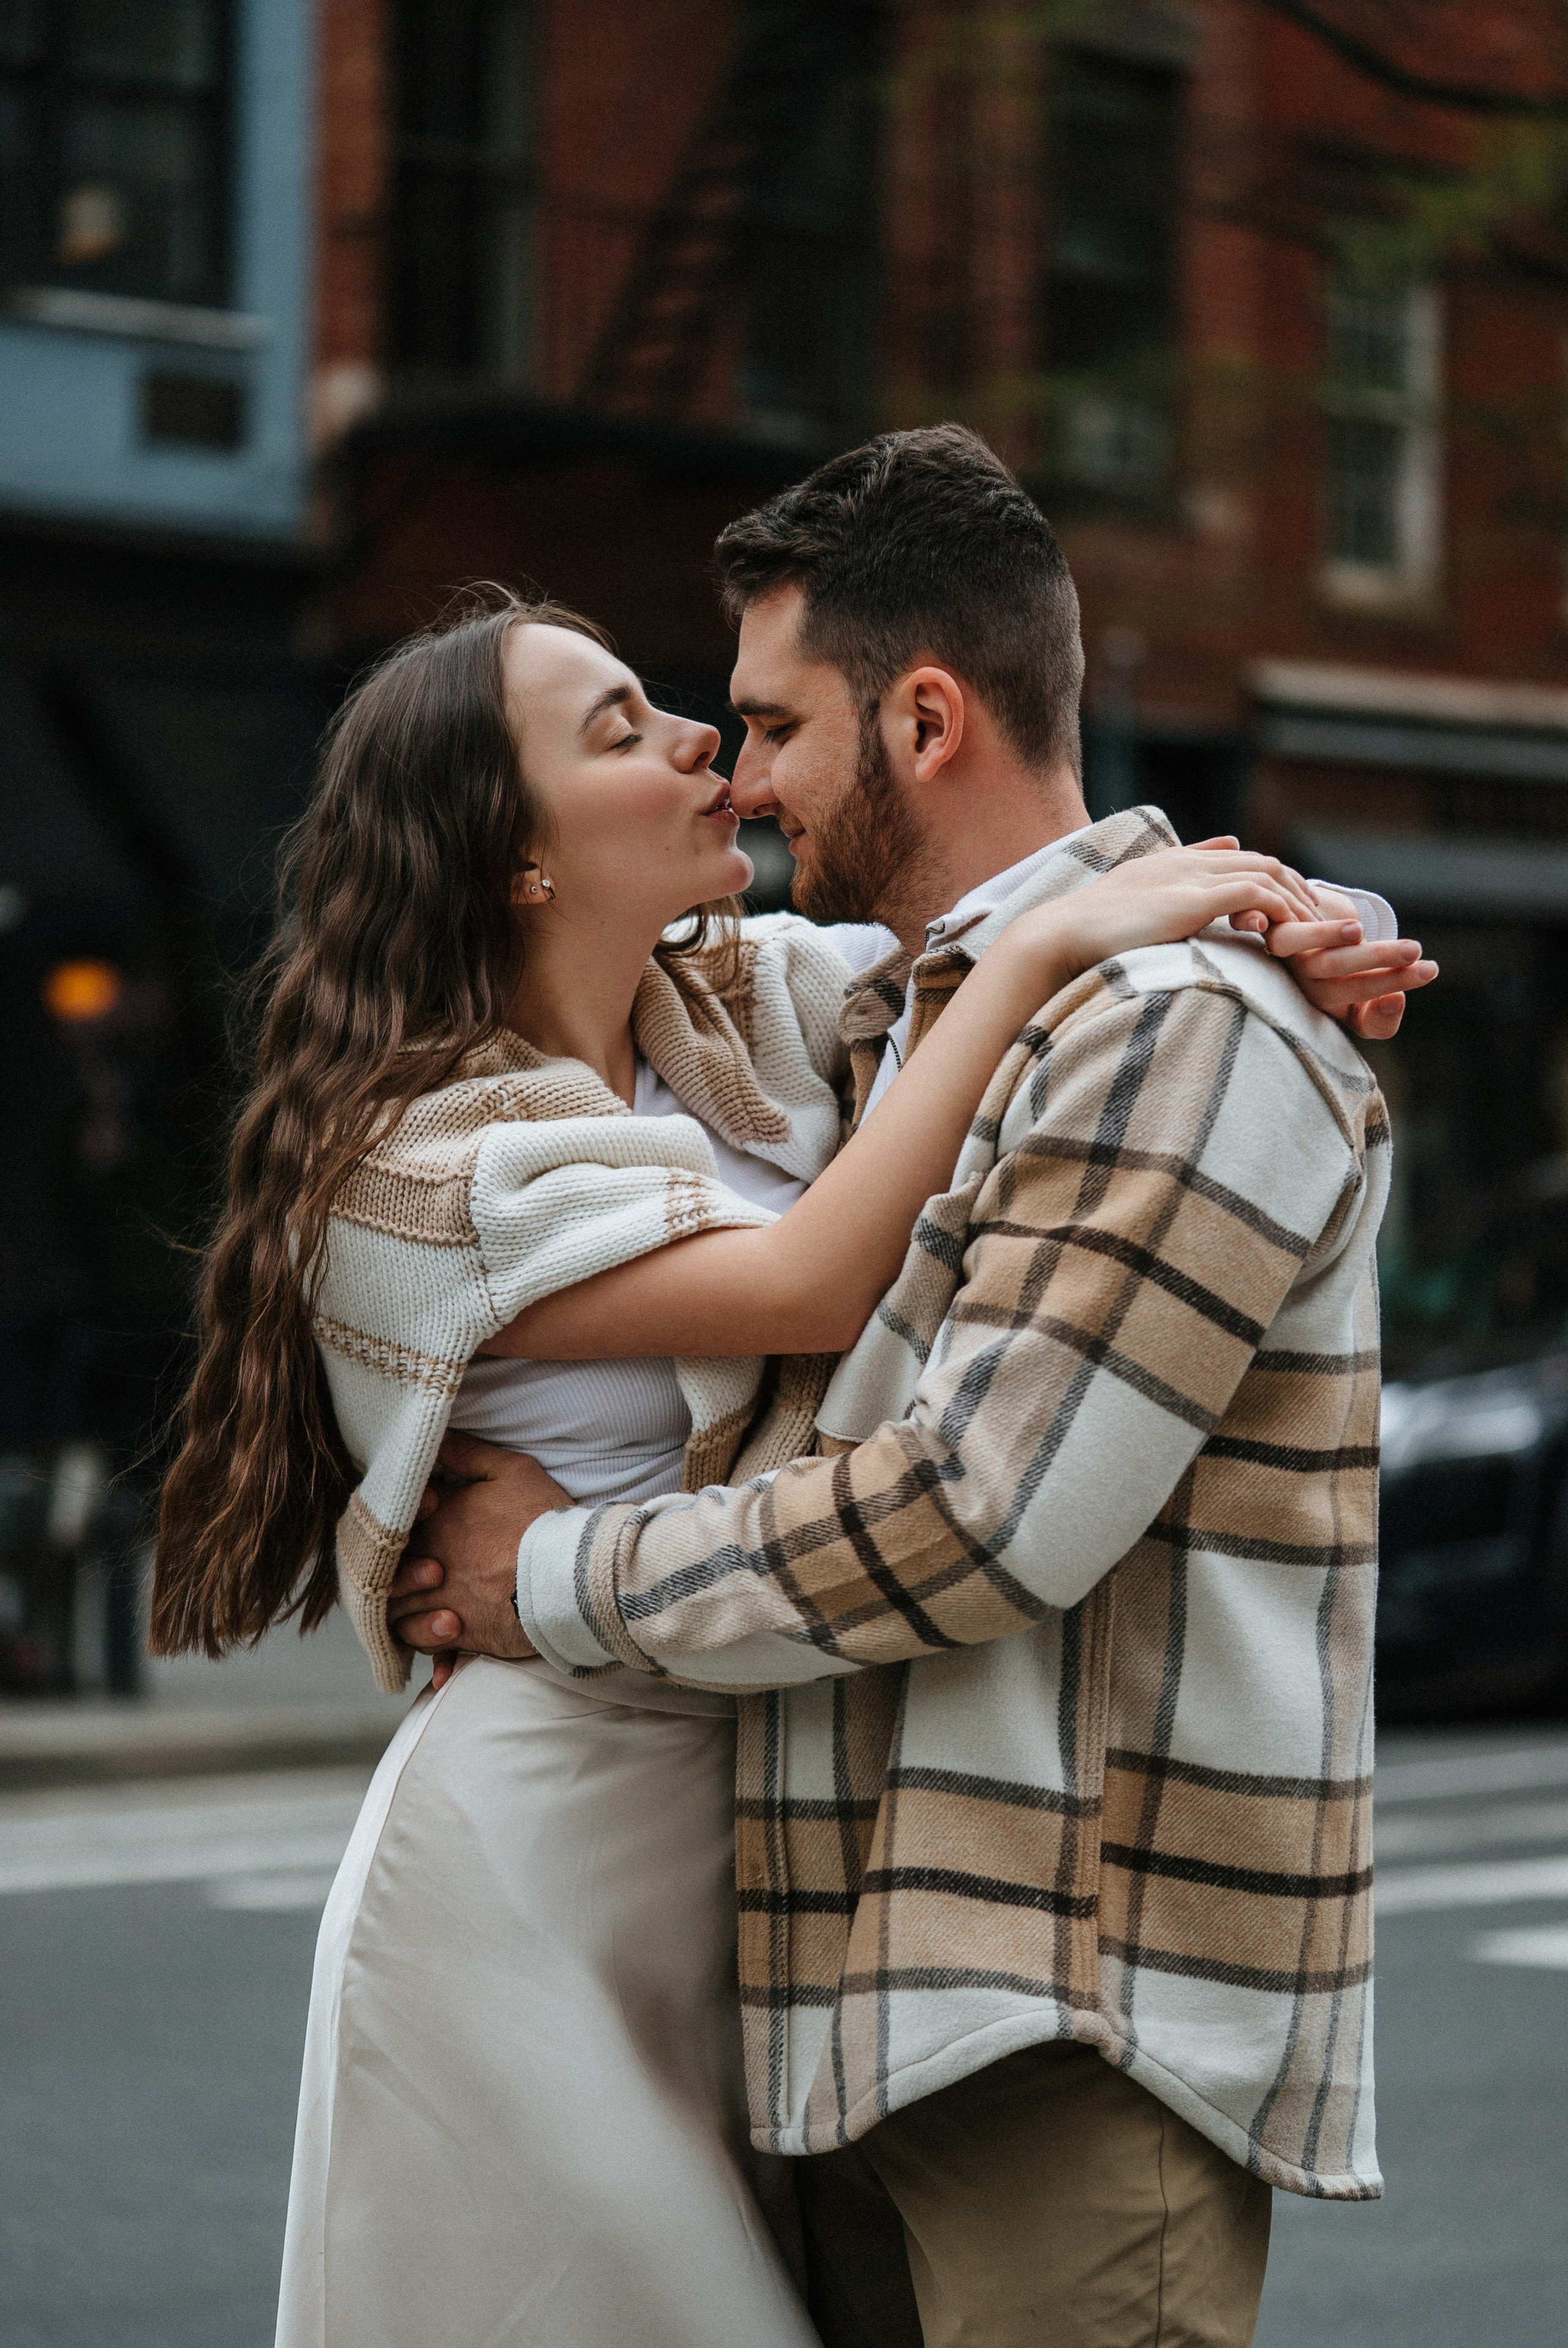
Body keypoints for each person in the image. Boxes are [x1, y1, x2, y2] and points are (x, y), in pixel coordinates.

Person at [394, 428, 1430, 2348]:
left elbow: (979, 1512)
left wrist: (549, 1573)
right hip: (859, 2033)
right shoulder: (886, 1019)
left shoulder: (1178, 1027)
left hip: (1069, 2026)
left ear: (928, 718)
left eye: (774, 724)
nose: (746, 770)